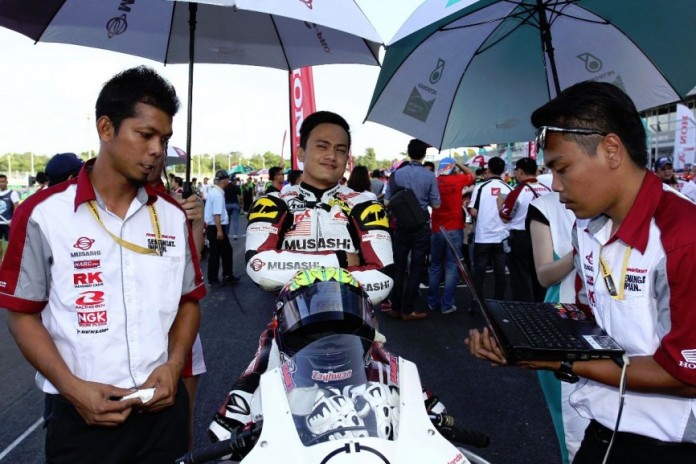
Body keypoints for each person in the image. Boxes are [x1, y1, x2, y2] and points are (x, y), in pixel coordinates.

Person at [467, 81, 696, 463]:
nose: (555, 186)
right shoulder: (586, 229)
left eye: (562, 168)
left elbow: (686, 375)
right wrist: (521, 339)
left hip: (670, 445)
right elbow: (592, 319)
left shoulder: (682, 238)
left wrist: (559, 361)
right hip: (603, 428)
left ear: (611, 150)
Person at [0, 65, 206, 463]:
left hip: (163, 415)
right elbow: (22, 314)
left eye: (164, 139)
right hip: (82, 420)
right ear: (106, 128)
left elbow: (189, 301)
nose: (157, 150)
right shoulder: (42, 214)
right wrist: (73, 388)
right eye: (145, 135)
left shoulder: (172, 215)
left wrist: (174, 364)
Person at [244, 110, 393, 305]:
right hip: (292, 318)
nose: (331, 156)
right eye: (322, 146)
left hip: (351, 319)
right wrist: (340, 260)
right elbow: (259, 266)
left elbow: (382, 280)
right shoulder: (272, 202)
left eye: (340, 150)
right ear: (301, 153)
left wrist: (292, 271)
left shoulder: (366, 205)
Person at [527, 191, 589, 464]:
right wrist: (581, 251)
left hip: (627, 341)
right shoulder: (546, 206)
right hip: (563, 331)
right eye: (554, 171)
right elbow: (544, 275)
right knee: (573, 436)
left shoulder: (664, 203)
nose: (554, 182)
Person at [384, 139, 440, 321]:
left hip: (401, 225)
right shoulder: (429, 176)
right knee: (416, 268)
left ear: (408, 153)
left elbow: (387, 201)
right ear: (424, 155)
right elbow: (436, 204)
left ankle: (395, 307)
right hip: (421, 226)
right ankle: (407, 310)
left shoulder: (396, 174)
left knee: (399, 267)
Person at [498, 157, 551, 302]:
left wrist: (500, 204)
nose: (515, 173)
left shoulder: (518, 191)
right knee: (541, 276)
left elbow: (505, 217)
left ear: (520, 171)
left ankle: (523, 309)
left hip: (520, 238)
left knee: (520, 278)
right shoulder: (547, 190)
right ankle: (543, 308)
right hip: (544, 237)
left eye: (516, 171)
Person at [428, 157, 474, 314]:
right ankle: (446, 305)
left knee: (435, 266)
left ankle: (432, 302)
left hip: (437, 228)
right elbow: (472, 175)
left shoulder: (434, 181)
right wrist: (459, 163)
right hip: (454, 228)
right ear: (452, 168)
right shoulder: (458, 179)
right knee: (451, 266)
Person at [468, 157, 512, 308]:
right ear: (503, 170)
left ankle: (476, 304)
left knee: (479, 272)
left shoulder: (480, 187)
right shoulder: (509, 188)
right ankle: (499, 303)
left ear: (488, 169)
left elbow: (473, 212)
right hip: (502, 237)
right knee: (500, 272)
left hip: (483, 237)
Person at [204, 169, 239, 286]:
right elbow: (216, 214)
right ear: (225, 181)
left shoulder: (214, 191)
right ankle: (216, 278)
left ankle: (225, 275)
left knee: (224, 252)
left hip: (214, 226)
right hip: (216, 227)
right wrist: (219, 230)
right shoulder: (218, 195)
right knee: (217, 253)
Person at [0, 174, 20, 262]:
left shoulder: (12, 193)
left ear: (7, 182)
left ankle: (10, 261)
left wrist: (13, 220)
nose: (1, 184)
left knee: (10, 245)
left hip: (8, 223)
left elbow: (16, 208)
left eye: (3, 182)